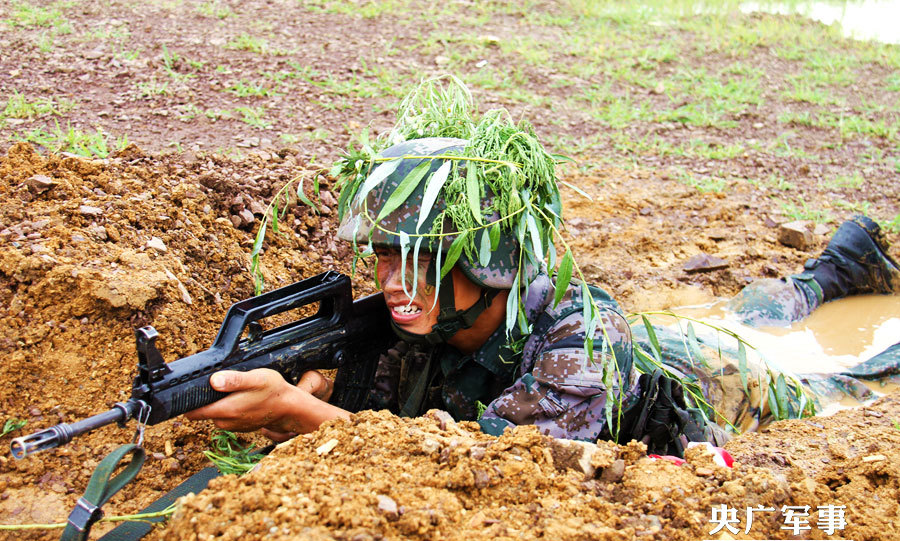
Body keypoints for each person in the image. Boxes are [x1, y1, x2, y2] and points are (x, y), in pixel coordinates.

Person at [186, 137, 899, 454]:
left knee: (848, 380)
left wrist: (303, 414)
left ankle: (832, 280)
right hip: (669, 337)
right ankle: (835, 271)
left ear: (489, 261)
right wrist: (318, 388)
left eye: (422, 259)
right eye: (382, 258)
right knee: (745, 311)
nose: (394, 281)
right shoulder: (415, 331)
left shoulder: (582, 333)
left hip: (721, 380)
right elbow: (378, 415)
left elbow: (500, 461)